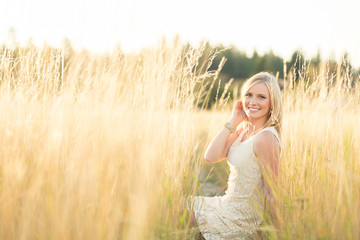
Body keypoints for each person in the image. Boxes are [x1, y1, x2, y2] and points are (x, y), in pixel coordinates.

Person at [188, 72, 283, 239]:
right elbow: (210, 156)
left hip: (240, 218)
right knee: (178, 207)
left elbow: (272, 193)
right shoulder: (243, 130)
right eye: (249, 95)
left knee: (181, 213)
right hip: (226, 204)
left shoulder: (266, 138)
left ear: (272, 103)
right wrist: (234, 120)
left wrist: (275, 233)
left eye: (261, 97)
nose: (253, 102)